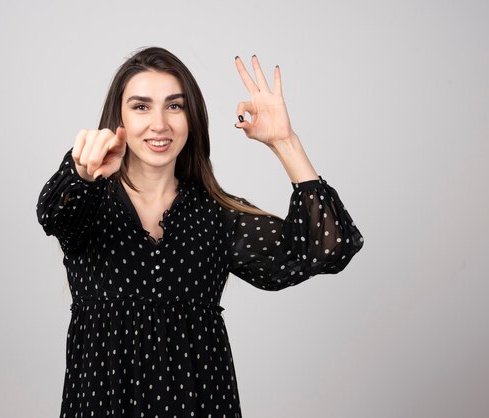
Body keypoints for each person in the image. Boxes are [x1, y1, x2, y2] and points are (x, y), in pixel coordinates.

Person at [37, 46, 363, 418]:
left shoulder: (217, 216)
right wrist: (83, 172)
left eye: (174, 106)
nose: (159, 124)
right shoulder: (88, 200)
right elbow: (53, 213)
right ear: (119, 119)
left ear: (191, 118)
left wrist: (285, 142)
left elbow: (328, 249)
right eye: (141, 106)